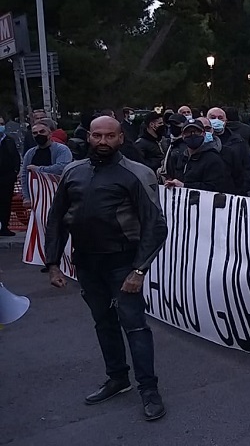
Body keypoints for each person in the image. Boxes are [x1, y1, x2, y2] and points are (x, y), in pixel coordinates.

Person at [45, 116, 169, 421]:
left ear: (121, 138)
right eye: (97, 135)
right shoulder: (72, 171)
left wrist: (139, 270)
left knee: (135, 327)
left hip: (122, 264)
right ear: (88, 136)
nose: (103, 141)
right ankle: (117, 377)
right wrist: (52, 263)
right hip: (87, 263)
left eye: (109, 136)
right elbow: (57, 219)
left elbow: (156, 225)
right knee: (103, 323)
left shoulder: (137, 173)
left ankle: (149, 389)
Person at [164, 120, 234, 194]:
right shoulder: (181, 157)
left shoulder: (213, 159)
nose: (192, 134)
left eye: (196, 132)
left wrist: (185, 186)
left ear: (203, 134)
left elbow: (215, 187)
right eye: (188, 132)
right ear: (183, 135)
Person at [20, 119, 73, 209]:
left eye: (42, 131)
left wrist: (37, 169)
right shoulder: (30, 153)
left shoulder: (62, 149)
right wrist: (26, 197)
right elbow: (24, 175)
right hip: (36, 198)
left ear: (50, 134)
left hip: (58, 195)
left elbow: (62, 168)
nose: (38, 135)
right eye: (35, 133)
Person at [208, 107, 250, 196]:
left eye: (220, 118)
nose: (216, 120)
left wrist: (243, 189)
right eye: (213, 117)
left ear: (226, 121)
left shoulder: (238, 141)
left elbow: (247, 167)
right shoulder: (202, 141)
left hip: (234, 194)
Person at [0, 116, 20, 236]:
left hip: (7, 178)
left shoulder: (9, 140)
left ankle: (5, 227)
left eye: (2, 123)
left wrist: (15, 173)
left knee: (6, 203)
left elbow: (15, 157)